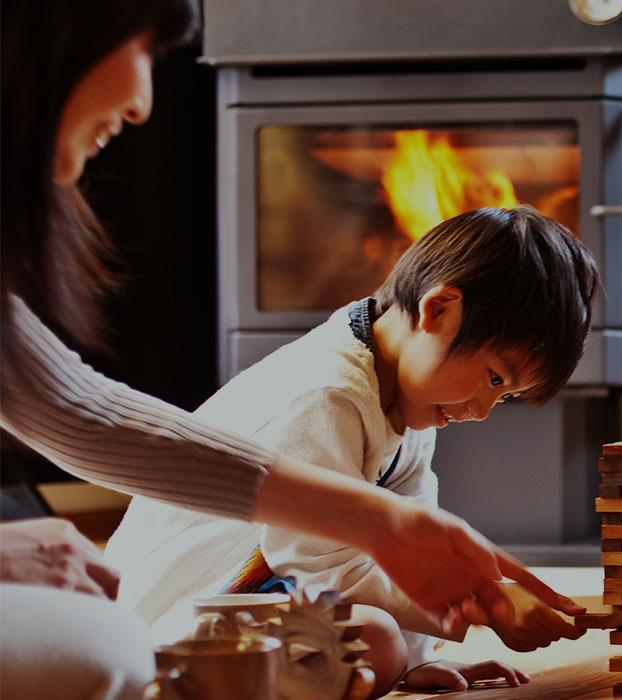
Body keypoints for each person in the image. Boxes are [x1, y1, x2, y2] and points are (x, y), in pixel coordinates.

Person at [0, 2, 577, 698]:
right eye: (142, 45)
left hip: (259, 593)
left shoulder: (403, 406)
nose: (146, 102)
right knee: (110, 651)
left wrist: (407, 556)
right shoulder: (327, 389)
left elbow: (78, 409)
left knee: (367, 639)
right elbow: (322, 566)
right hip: (196, 601)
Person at [104, 205, 597, 695]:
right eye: (493, 378)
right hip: (182, 621)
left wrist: (419, 657)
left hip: (271, 592)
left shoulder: (410, 399)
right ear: (438, 311)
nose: (485, 409)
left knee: (378, 643)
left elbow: (412, 538)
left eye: (505, 395)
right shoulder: (325, 393)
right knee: (369, 641)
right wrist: (486, 607)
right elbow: (320, 564)